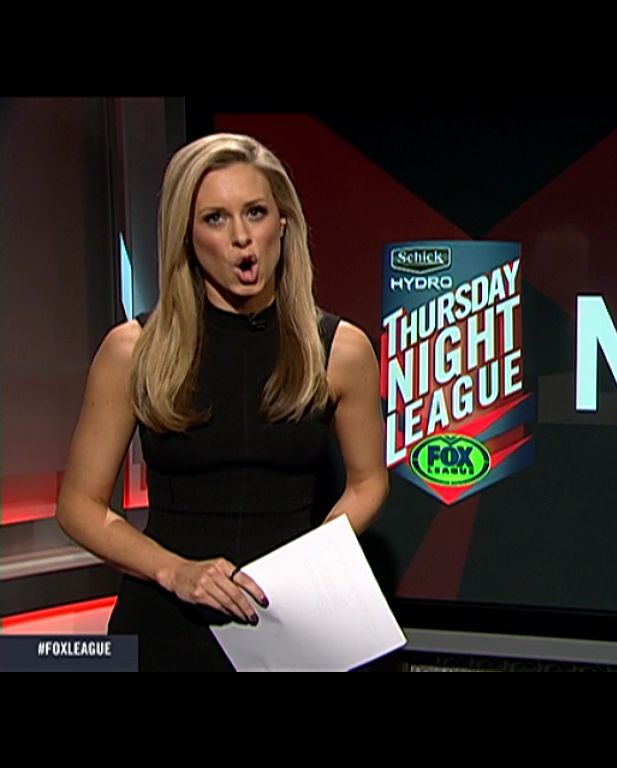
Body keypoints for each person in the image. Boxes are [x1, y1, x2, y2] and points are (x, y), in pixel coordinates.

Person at [55, 133, 388, 671]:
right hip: (165, 628)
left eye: (255, 212)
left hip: (287, 625)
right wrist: (174, 571)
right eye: (215, 218)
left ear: (283, 221)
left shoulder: (340, 350)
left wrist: (311, 566)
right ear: (186, 236)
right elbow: (78, 506)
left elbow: (368, 483)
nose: (241, 238)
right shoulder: (132, 351)